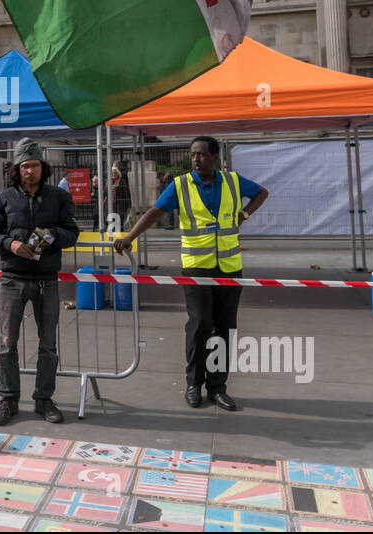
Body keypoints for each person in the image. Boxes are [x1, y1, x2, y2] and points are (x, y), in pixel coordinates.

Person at [114, 137, 268, 412]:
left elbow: (261, 193)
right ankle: (194, 384)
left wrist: (244, 214)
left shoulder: (232, 181)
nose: (195, 159)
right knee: (200, 323)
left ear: (215, 158)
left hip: (230, 267)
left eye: (201, 154)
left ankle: (218, 388)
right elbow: (155, 211)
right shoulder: (181, 185)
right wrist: (130, 237)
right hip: (196, 267)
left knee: (224, 327)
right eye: (192, 155)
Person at [0, 137, 80, 425]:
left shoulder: (58, 197)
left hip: (46, 280)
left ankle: (43, 399)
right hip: (12, 279)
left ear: (42, 167)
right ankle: (8, 399)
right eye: (25, 166)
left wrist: (53, 235)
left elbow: (72, 232)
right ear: (16, 168)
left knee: (48, 344)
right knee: (6, 343)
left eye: (35, 165)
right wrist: (9, 244)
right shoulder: (4, 199)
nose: (30, 171)